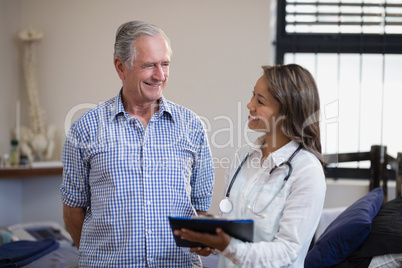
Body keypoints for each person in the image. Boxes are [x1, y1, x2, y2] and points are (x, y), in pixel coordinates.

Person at [60, 21, 215, 267]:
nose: (160, 75)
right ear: (120, 67)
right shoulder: (85, 128)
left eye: (165, 64)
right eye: (149, 65)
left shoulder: (192, 126)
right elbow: (73, 211)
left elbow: (200, 208)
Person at [175, 64, 326, 267]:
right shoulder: (242, 156)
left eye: (260, 101)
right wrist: (212, 241)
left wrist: (228, 246)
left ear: (287, 113)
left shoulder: (307, 171)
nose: (249, 105)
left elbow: (287, 250)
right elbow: (231, 227)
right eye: (253, 95)